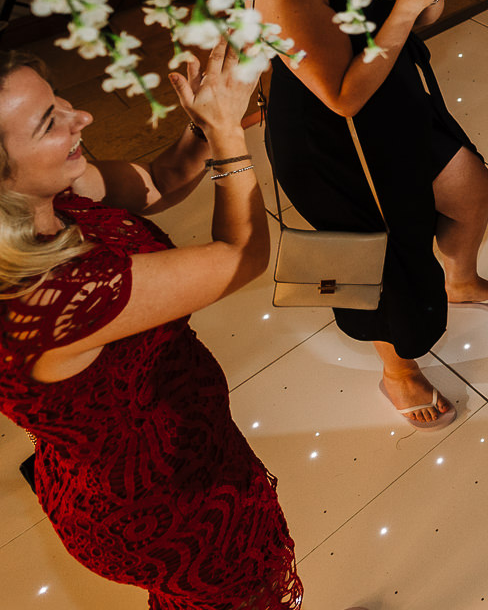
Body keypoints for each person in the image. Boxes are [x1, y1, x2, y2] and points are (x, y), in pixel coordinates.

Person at [227, 0, 488, 430]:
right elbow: (340, 95)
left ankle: (461, 281)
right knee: (371, 260)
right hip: (331, 136)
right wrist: (409, 2)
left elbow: (422, 14)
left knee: (471, 189)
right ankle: (396, 370)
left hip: (397, 98)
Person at [0, 44, 301, 607]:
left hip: (178, 442)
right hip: (162, 501)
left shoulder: (43, 198)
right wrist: (230, 140)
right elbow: (241, 256)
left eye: (60, 100)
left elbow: (159, 178)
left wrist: (204, 124)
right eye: (49, 122)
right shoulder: (48, 296)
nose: (80, 116)